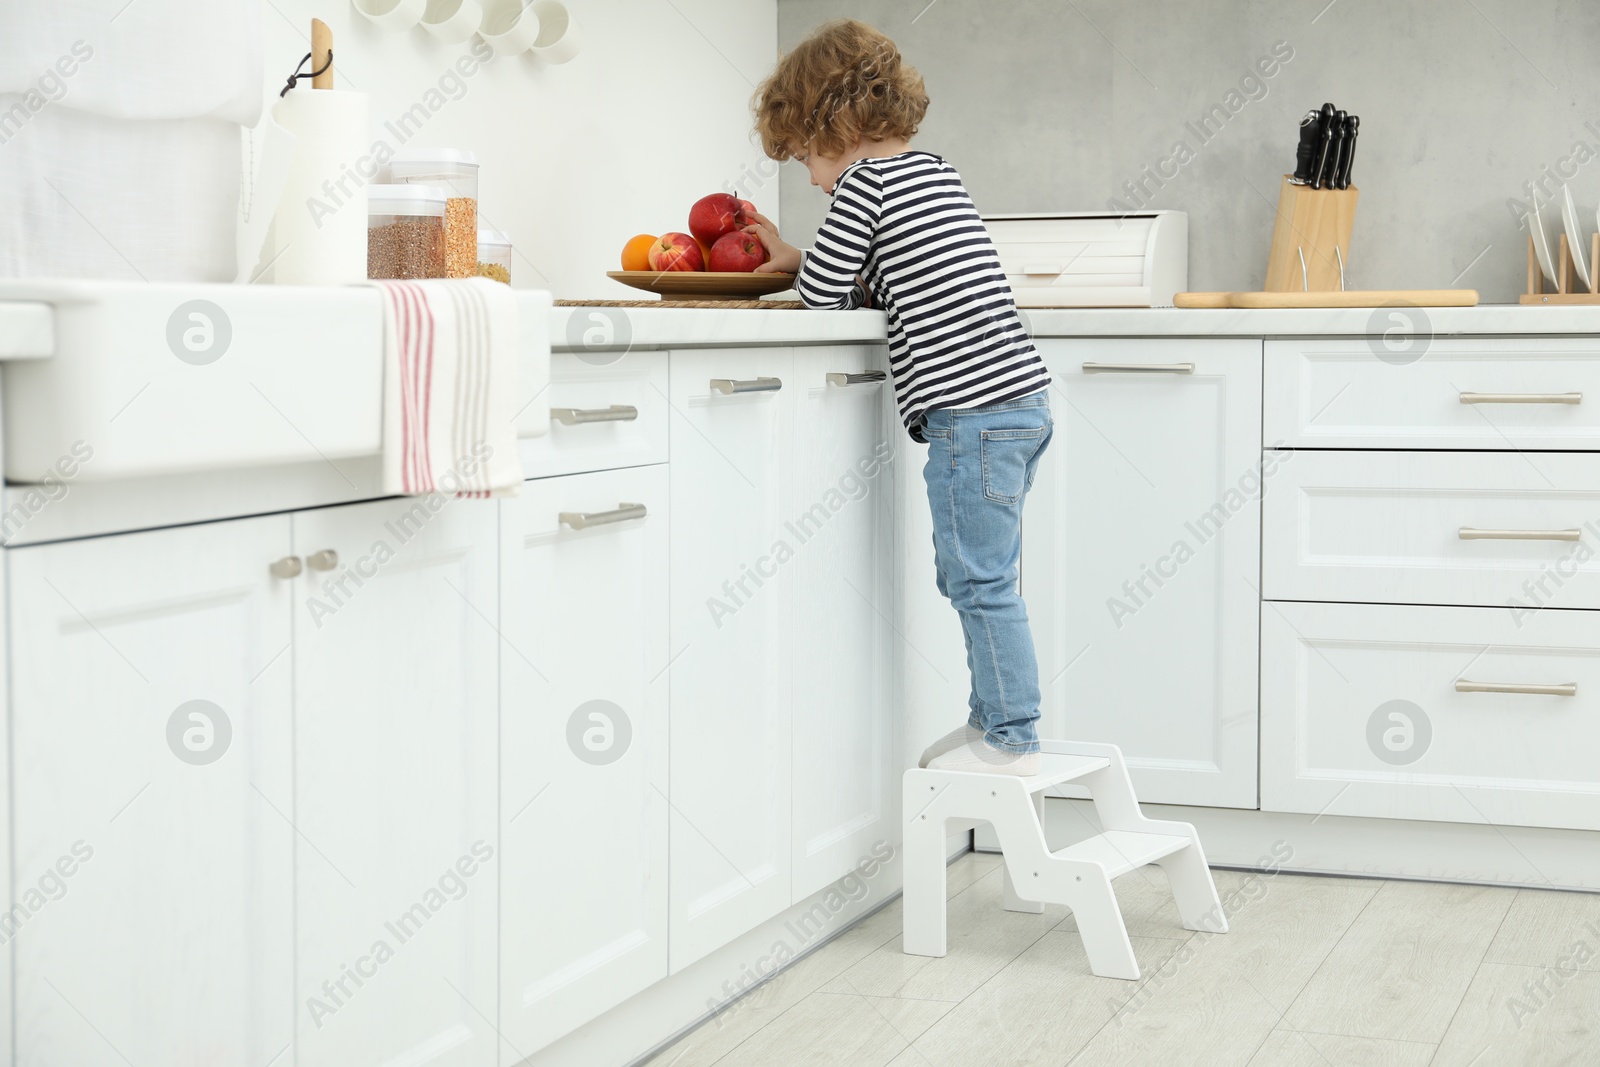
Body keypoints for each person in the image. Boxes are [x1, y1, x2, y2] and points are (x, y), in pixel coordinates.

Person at [745, 19, 1052, 776]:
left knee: (977, 580)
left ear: (832, 126)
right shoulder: (934, 171)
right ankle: (990, 720)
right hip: (1020, 406)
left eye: (807, 158)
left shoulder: (862, 186)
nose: (813, 179)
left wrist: (791, 267)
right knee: (979, 575)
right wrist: (799, 254)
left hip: (971, 419)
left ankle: (1011, 735)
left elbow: (825, 297)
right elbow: (893, 276)